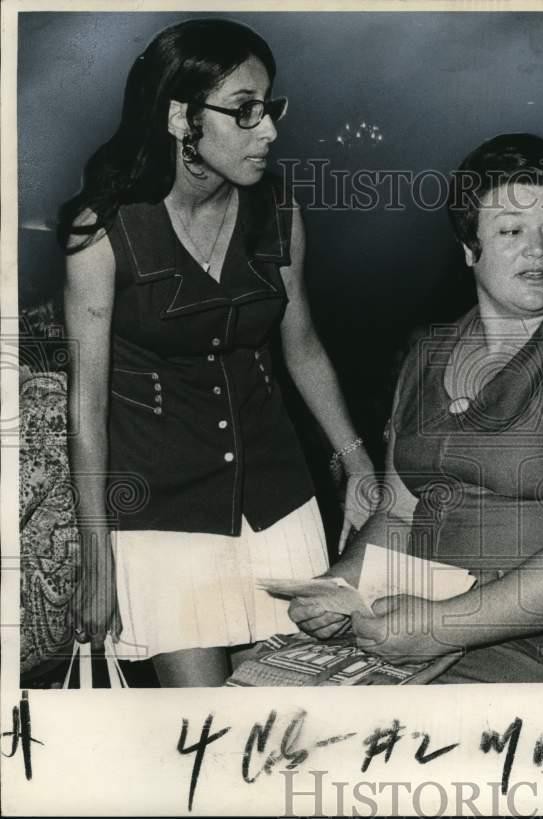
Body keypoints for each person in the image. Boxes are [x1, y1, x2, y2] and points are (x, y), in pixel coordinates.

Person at [59, 18, 375, 687]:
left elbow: (305, 345)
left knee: (286, 717)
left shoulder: (279, 213)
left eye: (270, 108)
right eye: (245, 111)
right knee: (203, 729)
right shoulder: (101, 233)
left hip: (276, 500)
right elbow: (85, 409)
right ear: (180, 117)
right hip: (161, 516)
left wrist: (357, 460)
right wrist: (96, 558)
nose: (270, 131)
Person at [291, 133, 543, 682]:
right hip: (434, 627)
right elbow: (398, 514)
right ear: (470, 249)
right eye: (512, 231)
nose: (538, 250)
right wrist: (340, 586)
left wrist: (445, 626)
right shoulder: (428, 354)